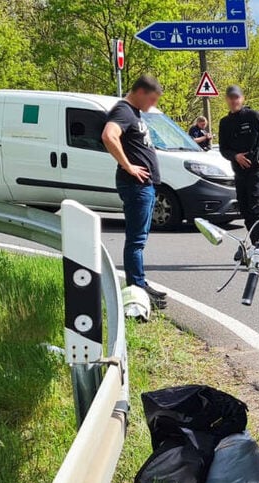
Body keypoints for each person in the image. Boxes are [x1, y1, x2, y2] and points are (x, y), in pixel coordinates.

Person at [101, 74, 168, 308]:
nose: (153, 105)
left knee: (139, 238)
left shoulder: (134, 113)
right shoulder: (123, 111)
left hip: (144, 186)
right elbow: (109, 136)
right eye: (151, 99)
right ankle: (136, 288)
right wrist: (128, 165)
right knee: (136, 240)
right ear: (140, 92)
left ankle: (139, 283)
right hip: (136, 185)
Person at [218, 84, 259, 244]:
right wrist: (235, 156)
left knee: (258, 210)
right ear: (227, 100)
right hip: (239, 173)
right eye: (231, 98)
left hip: (257, 171)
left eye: (237, 97)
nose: (234, 101)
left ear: (242, 99)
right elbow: (223, 149)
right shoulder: (225, 122)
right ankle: (255, 244)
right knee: (245, 210)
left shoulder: (253, 116)